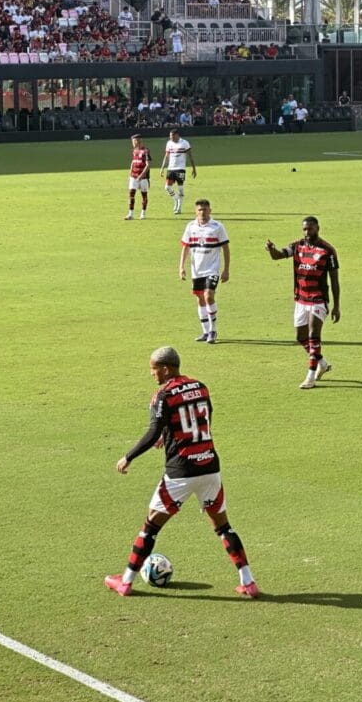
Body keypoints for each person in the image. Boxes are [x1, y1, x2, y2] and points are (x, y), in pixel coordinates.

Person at [104, 345, 259, 598]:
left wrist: (128, 456)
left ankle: (126, 581)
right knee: (223, 527)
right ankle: (249, 582)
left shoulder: (163, 395)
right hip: (210, 466)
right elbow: (203, 418)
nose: (152, 374)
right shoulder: (201, 386)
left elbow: (153, 431)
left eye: (153, 369)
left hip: (181, 471)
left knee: (150, 527)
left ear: (165, 368)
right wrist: (170, 435)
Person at [265, 217, 340, 389]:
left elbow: (335, 280)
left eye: (310, 229)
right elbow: (278, 256)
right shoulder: (297, 246)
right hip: (301, 298)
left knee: (314, 337)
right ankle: (321, 363)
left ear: (317, 228)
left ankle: (310, 376)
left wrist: (336, 305)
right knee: (301, 337)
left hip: (318, 299)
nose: (307, 233)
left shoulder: (327, 251)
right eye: (305, 229)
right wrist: (271, 250)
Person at [179, 200, 230, 344]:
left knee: (208, 296)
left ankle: (213, 330)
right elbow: (186, 247)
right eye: (200, 210)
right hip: (197, 270)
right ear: (196, 211)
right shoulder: (190, 227)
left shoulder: (217, 227)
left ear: (210, 211)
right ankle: (205, 331)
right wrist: (181, 267)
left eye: (205, 209)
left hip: (212, 269)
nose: (203, 212)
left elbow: (226, 248)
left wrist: (226, 270)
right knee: (200, 299)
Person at [160, 128, 196, 215]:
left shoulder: (184, 143)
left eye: (172, 136)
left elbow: (190, 156)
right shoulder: (169, 143)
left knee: (180, 188)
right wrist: (162, 168)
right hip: (171, 168)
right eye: (170, 136)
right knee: (167, 187)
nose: (171, 138)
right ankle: (176, 199)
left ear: (177, 135)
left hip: (180, 168)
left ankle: (179, 207)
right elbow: (166, 156)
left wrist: (194, 168)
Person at [124, 134, 151, 220]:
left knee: (144, 195)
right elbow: (133, 162)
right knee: (131, 194)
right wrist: (130, 174)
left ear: (137, 141)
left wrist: (141, 175)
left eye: (133, 141)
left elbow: (148, 165)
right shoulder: (134, 150)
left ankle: (143, 213)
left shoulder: (146, 151)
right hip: (134, 176)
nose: (132, 143)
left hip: (143, 178)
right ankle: (130, 214)